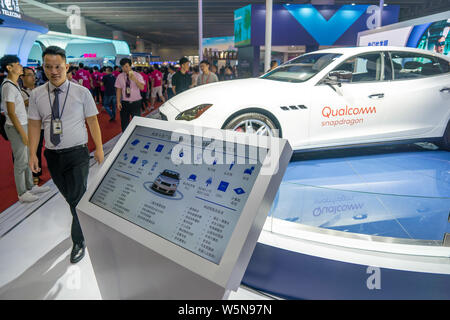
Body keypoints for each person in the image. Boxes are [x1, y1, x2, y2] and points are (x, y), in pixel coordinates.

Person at [28, 46, 104, 264]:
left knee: (77, 197)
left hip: (78, 153)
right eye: (48, 67)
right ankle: (87, 219)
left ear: (67, 66)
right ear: (43, 68)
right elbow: (34, 125)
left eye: (58, 66)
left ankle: (79, 240)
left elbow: (92, 121)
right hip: (53, 155)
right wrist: (32, 153)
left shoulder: (82, 92)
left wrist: (98, 148)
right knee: (71, 199)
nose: (54, 71)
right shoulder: (37, 95)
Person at [0, 55, 50, 203]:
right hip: (16, 127)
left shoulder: (13, 84)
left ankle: (30, 186)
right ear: (9, 68)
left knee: (28, 157)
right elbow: (11, 113)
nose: (20, 66)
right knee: (21, 161)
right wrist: (22, 133)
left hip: (23, 124)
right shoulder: (8, 86)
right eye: (17, 64)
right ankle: (22, 193)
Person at [20, 67, 45, 186]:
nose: (33, 77)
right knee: (29, 151)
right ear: (22, 77)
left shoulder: (38, 90)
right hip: (28, 127)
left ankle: (36, 173)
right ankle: (29, 174)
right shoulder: (20, 92)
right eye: (29, 75)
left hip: (40, 126)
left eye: (33, 74)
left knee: (38, 150)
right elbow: (25, 103)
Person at [115, 57, 145, 132]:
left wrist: (134, 79)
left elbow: (142, 87)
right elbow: (118, 89)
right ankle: (125, 136)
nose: (124, 68)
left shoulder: (137, 75)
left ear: (130, 66)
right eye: (122, 67)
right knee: (124, 123)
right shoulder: (120, 76)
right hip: (125, 102)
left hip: (136, 102)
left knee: (137, 122)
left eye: (126, 66)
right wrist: (118, 101)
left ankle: (138, 135)